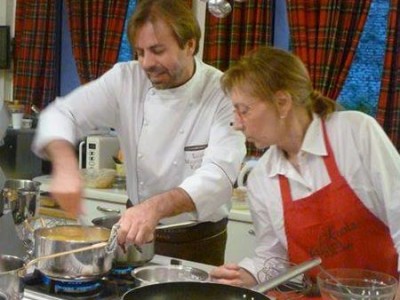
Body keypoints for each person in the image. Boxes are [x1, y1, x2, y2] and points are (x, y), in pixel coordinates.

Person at [32, 0, 246, 265]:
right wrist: (64, 164)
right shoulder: (125, 80)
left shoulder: (222, 92)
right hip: (132, 237)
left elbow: (219, 175)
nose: (146, 63)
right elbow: (62, 113)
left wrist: (154, 208)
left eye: (157, 50)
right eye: (140, 52)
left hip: (197, 244)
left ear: (190, 45)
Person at [210, 46, 400, 289]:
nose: (236, 123)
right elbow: (274, 258)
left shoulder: (356, 133)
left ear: (282, 102)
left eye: (243, 110)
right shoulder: (262, 178)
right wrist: (246, 274)